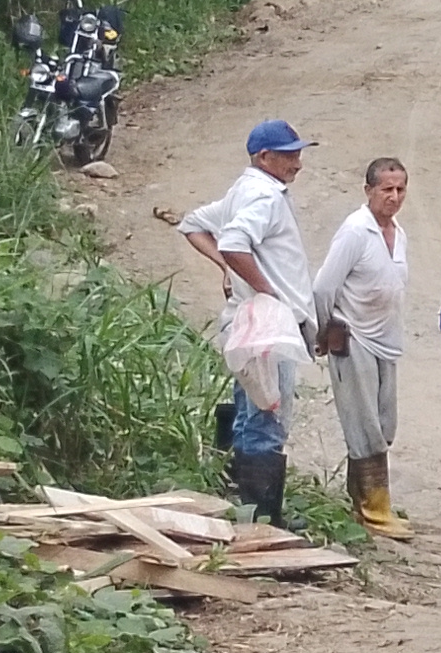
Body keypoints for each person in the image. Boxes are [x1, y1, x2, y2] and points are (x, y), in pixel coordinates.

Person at [175, 119, 318, 526]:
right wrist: (265, 290)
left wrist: (228, 271)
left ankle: (242, 507)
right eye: (289, 155)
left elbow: (193, 224)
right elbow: (233, 242)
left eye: (298, 154)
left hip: (246, 322)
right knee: (266, 419)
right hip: (267, 326)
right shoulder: (264, 196)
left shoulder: (244, 189)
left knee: (249, 411)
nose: (298, 163)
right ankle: (262, 520)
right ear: (264, 157)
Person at [308, 156, 416, 539]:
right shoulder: (355, 231)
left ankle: (362, 502)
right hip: (353, 336)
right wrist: (325, 330)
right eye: (386, 189)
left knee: (384, 423)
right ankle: (374, 510)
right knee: (364, 424)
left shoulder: (398, 233)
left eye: (400, 189)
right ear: (368, 190)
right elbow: (324, 287)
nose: (394, 196)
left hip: (385, 339)